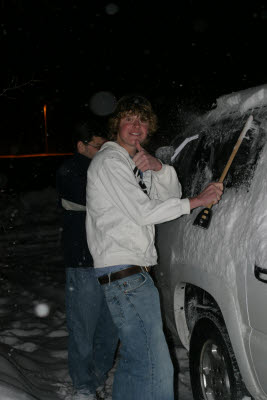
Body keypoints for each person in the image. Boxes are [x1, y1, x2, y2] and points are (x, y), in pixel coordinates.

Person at [85, 95, 223, 400]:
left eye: (143, 120)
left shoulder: (133, 163)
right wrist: (198, 201)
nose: (136, 126)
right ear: (116, 124)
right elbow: (145, 213)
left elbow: (167, 198)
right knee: (156, 368)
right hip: (125, 275)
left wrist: (159, 168)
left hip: (131, 275)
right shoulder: (110, 162)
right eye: (129, 119)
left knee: (136, 363)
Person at [56, 119, 118, 400]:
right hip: (82, 263)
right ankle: (82, 385)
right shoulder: (70, 171)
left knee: (110, 327)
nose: (103, 150)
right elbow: (99, 199)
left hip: (111, 259)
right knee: (83, 329)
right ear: (81, 146)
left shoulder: (105, 169)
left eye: (107, 145)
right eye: (98, 146)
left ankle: (97, 378)